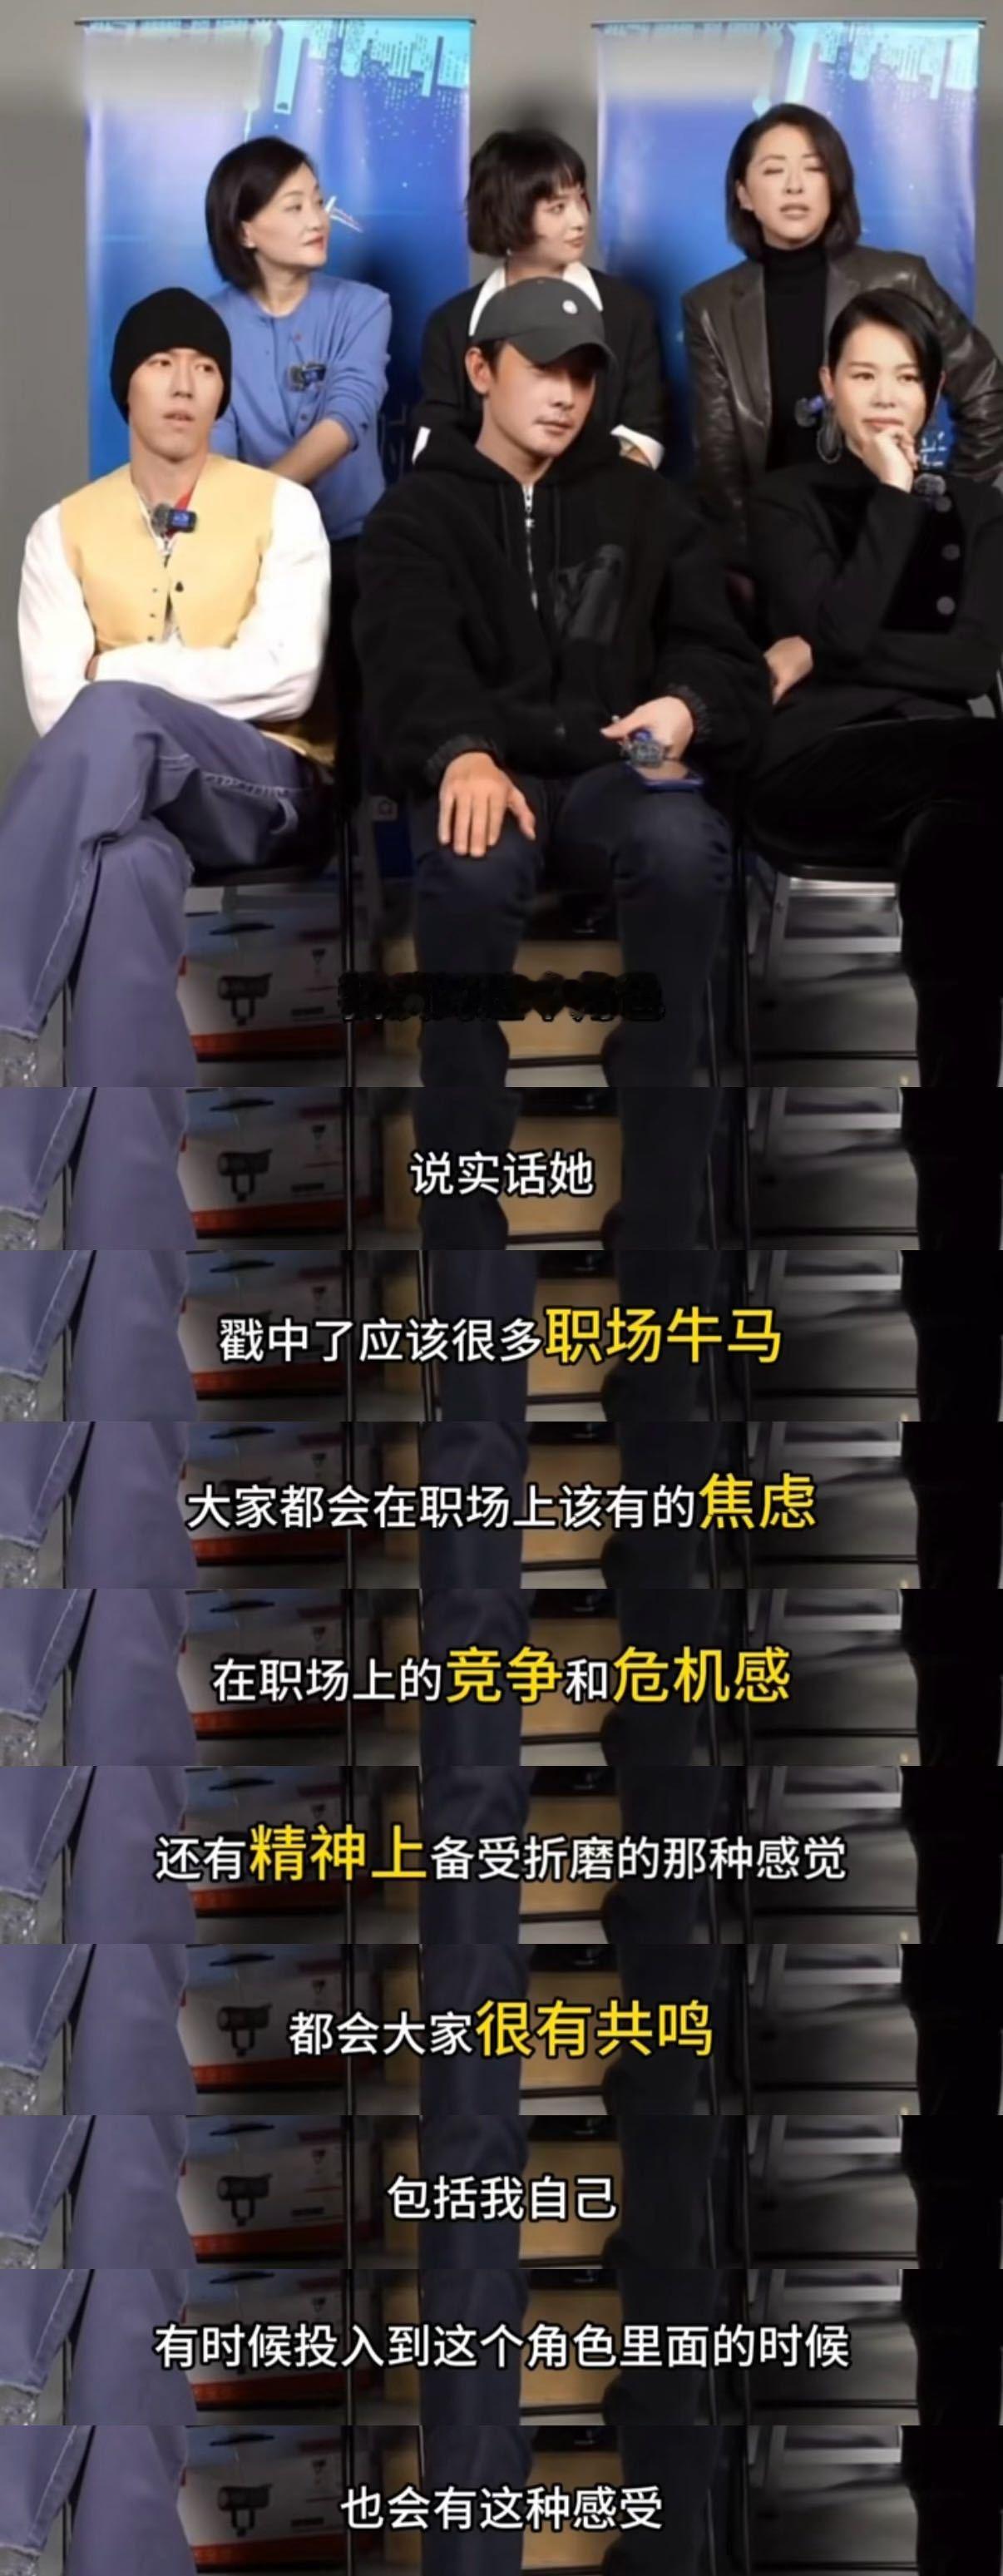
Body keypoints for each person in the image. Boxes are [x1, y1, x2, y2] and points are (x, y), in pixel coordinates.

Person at [356, 274, 769, 1258]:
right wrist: (460, 750)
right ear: (479, 369)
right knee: (470, 864)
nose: (565, 394)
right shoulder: (416, 513)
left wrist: (685, 707)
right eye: (542, 368)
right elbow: (408, 656)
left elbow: (722, 654)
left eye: (583, 375)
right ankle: (462, 1231)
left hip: (612, 772)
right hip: (489, 774)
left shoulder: (647, 505)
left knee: (683, 844)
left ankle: (664, 1224)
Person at [0, 287, 332, 1093]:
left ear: (222, 392)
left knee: (114, 710)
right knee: (123, 869)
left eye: (205, 367)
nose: (184, 384)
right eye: (161, 363)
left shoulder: (284, 508)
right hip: (129, 808)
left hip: (267, 790)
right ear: (128, 384)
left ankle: (4, 1013)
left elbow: (289, 677)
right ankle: (115, 1166)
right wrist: (187, 681)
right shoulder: (60, 530)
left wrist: (120, 670)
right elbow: (59, 716)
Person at [746, 289, 1003, 1108]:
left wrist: (823, 649)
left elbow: (972, 663)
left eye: (907, 376)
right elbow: (847, 633)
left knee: (957, 853)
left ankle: (957, 1144)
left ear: (933, 391)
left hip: (954, 773)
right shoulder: (786, 499)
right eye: (863, 375)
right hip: (817, 768)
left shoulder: (981, 511)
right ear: (829, 384)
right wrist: (895, 494)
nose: (887, 396)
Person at [684, 104, 1003, 555]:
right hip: (780, 546)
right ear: (744, 195)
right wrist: (755, 556)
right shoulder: (711, 307)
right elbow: (718, 459)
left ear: (835, 184)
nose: (794, 185)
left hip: (892, 533)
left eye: (813, 168)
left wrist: (940, 508)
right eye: (774, 170)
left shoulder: (901, 279)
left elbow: (988, 396)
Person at [205, 137, 390, 789]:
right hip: (259, 554)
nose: (317, 220)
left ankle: (365, 830)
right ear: (245, 230)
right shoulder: (210, 324)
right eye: (294, 206)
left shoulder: (364, 306)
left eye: (318, 201)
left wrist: (257, 498)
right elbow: (214, 446)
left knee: (368, 719)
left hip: (354, 547)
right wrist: (250, 526)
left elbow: (347, 417)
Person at [414, 128, 667, 466]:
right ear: (510, 212)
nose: (580, 220)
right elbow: (433, 447)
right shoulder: (451, 326)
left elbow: (644, 434)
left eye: (580, 198)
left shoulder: (628, 310)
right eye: (557, 207)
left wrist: (596, 492)